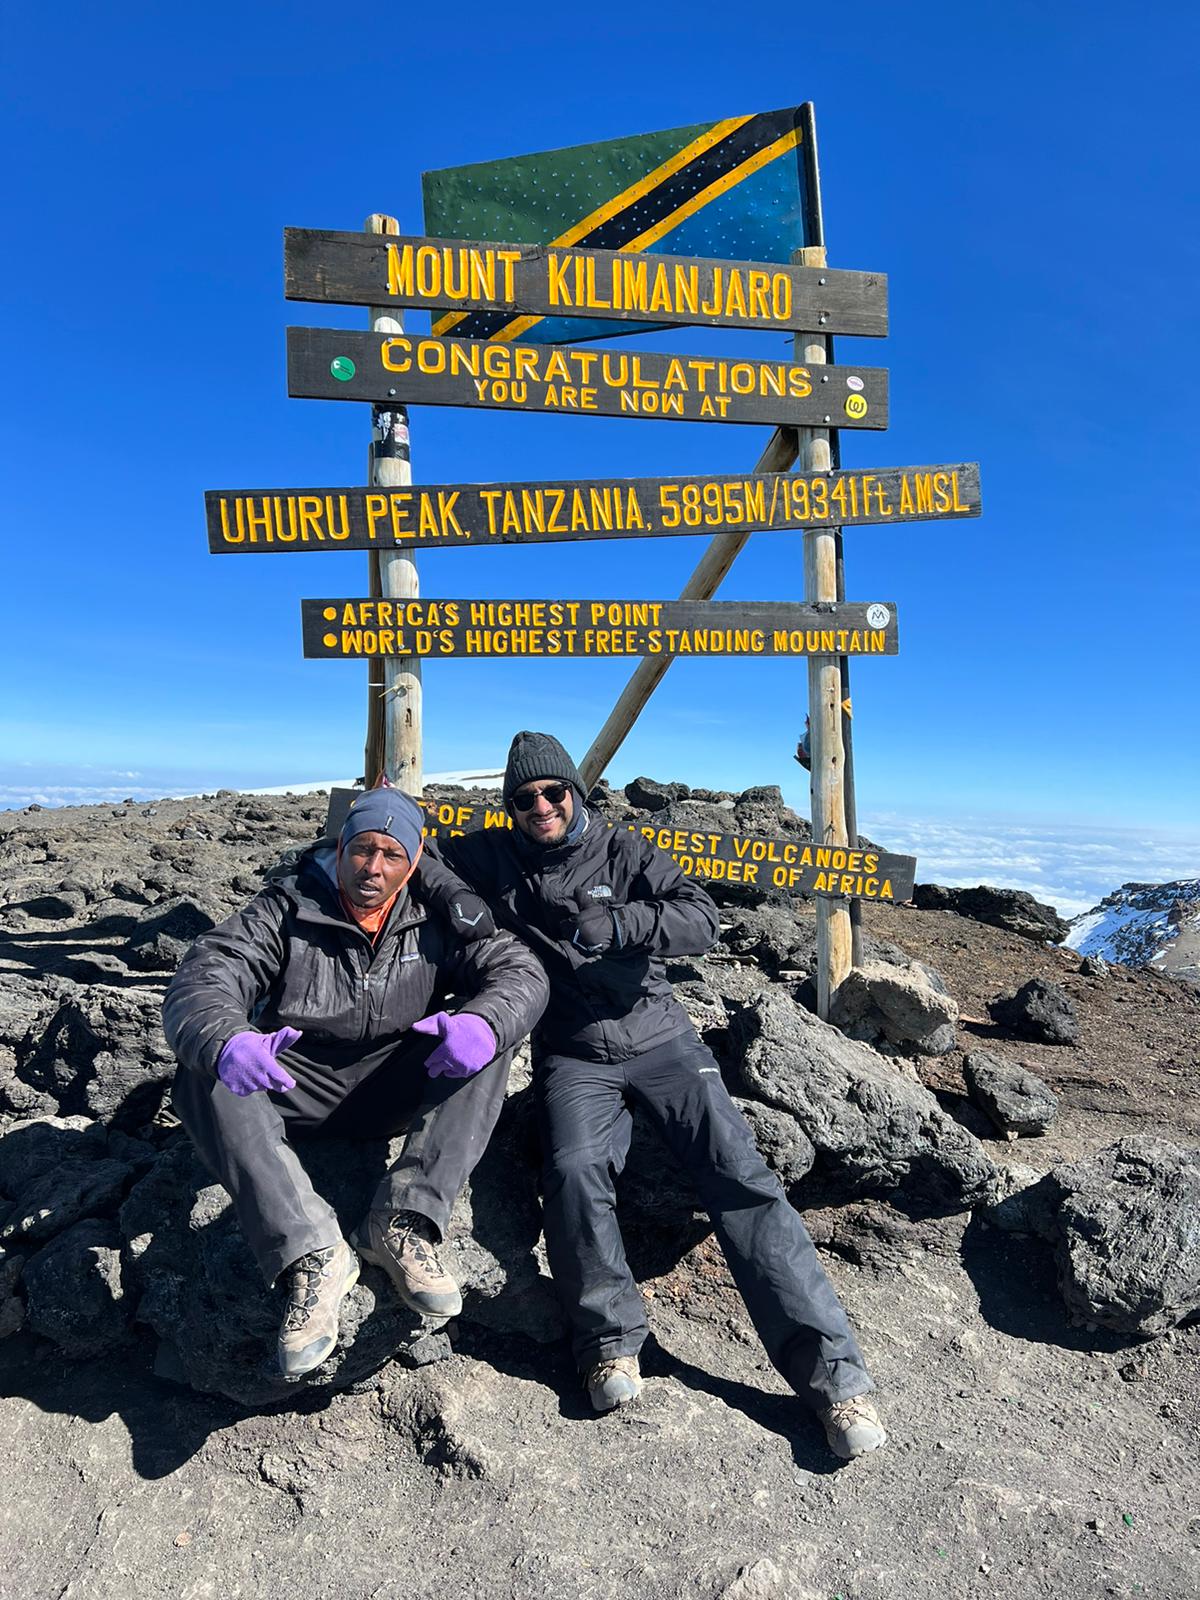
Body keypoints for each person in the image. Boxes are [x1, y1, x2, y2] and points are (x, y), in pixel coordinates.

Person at [437, 732, 886, 1461]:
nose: (541, 807)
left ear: (575, 794)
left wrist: (622, 923)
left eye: (554, 793)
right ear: (511, 808)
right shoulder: (493, 855)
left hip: (663, 1041)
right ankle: (609, 1344)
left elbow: (700, 918)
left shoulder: (625, 851)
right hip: (573, 1055)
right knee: (576, 1174)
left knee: (741, 1178)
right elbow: (408, 862)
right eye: (524, 800)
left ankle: (836, 1381)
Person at [163, 787, 548, 1378]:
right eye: (362, 850)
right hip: (296, 1078)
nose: (374, 868)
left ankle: (403, 1218)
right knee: (203, 1070)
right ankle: (313, 1250)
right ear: (340, 848)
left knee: (484, 1042)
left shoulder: (436, 915)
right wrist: (228, 1040)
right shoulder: (285, 908)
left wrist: (482, 1023)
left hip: (393, 1081)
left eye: (392, 855)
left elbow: (518, 969)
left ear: (414, 862)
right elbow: (210, 972)